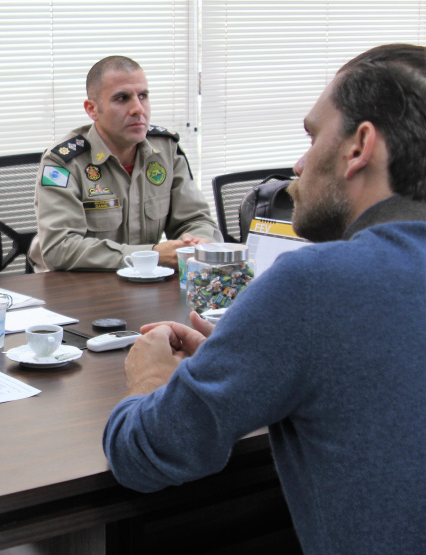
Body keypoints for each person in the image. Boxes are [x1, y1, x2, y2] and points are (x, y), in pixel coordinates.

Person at [103, 44, 426, 554]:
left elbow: (148, 452)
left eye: (313, 135)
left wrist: (147, 380)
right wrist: (244, 350)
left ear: (359, 147)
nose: (299, 163)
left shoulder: (314, 284)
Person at [29, 55, 220, 271]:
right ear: (92, 109)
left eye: (143, 96)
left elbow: (196, 219)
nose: (138, 109)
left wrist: (196, 244)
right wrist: (151, 255)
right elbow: (60, 248)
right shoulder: (62, 162)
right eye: (122, 98)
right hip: (75, 286)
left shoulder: (165, 150)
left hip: (144, 283)